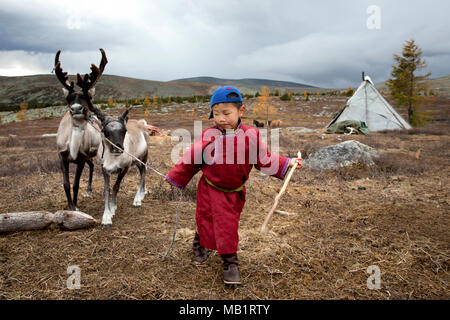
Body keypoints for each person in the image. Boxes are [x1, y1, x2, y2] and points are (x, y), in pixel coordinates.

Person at [165, 86, 302, 286]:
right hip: (210, 188)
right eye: (216, 114)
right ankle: (228, 262)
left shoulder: (252, 136)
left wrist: (288, 163)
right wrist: (174, 176)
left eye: (226, 113)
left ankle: (210, 250)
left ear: (241, 111)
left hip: (234, 192)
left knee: (226, 225)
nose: (221, 118)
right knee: (207, 219)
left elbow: (264, 159)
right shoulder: (209, 136)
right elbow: (191, 159)